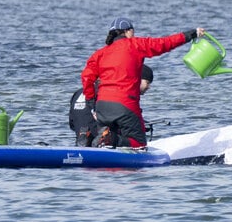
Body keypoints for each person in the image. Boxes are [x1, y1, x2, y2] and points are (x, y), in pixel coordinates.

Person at [81, 17, 203, 148]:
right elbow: (164, 43)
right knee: (138, 143)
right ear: (127, 31)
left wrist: (91, 102)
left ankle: (92, 138)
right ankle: (110, 139)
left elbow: (86, 77)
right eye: (133, 31)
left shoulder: (99, 54)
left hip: (102, 107)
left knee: (109, 140)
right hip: (125, 105)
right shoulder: (135, 44)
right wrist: (192, 34)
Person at [69, 64, 153, 147]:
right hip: (103, 140)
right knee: (137, 141)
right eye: (148, 83)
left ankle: (87, 136)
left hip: (83, 137)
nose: (149, 87)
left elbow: (72, 124)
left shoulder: (78, 93)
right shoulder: (117, 93)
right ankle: (108, 138)